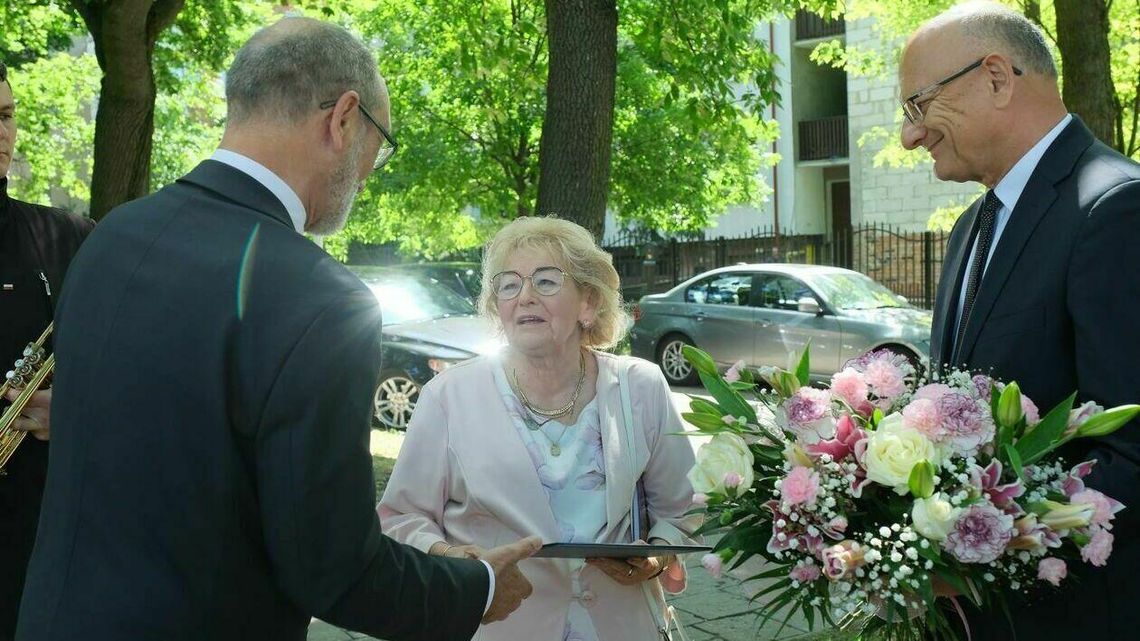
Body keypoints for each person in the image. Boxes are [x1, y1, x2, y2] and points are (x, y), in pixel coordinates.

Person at [16, 19, 539, 641]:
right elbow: (332, 568)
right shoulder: (323, 298)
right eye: (381, 140)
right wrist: (476, 587)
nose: (370, 172)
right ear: (343, 119)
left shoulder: (110, 239)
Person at [901, 3, 1140, 639]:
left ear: (998, 78)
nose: (910, 135)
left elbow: (1131, 451)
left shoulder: (1115, 208)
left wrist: (976, 553)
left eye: (918, 106)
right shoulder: (969, 230)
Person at [379, 216, 702, 641]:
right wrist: (450, 556)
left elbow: (682, 506)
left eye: (546, 281)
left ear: (588, 302)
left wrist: (656, 557)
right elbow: (402, 516)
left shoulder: (639, 385)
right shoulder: (448, 395)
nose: (525, 296)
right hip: (500, 626)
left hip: (623, 625)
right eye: (509, 285)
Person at [0, 61, 94, 641]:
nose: (0, 133)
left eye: (6, 116)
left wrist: (75, 411)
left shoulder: (68, 238)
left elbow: (128, 367)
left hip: (29, 541)